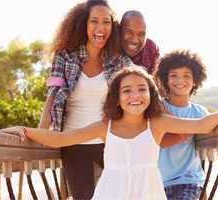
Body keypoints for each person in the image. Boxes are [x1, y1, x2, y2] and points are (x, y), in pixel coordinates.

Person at [5, 66, 218, 200]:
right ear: (116, 99)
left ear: (150, 95)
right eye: (126, 90)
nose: (135, 95)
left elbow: (200, 125)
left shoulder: (156, 123)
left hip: (147, 194)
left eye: (141, 89)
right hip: (111, 194)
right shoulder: (105, 126)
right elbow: (63, 138)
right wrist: (25, 130)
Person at [38, 0, 132, 199]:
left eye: (106, 22)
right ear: (84, 24)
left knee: (125, 193)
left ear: (112, 27)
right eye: (94, 21)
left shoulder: (119, 61)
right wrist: (41, 132)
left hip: (110, 141)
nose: (100, 28)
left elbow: (142, 87)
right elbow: (52, 96)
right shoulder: (65, 57)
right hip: (73, 142)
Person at [155, 50, 209, 200]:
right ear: (165, 79)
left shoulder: (200, 112)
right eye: (173, 75)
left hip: (188, 179)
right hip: (159, 182)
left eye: (187, 76)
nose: (180, 80)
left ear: (195, 80)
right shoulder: (157, 109)